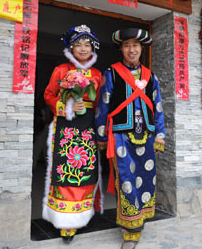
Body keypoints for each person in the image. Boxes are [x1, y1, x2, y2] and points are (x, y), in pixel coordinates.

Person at [95, 28, 165, 249]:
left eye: (135, 45)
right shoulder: (112, 73)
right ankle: (130, 231)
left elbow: (158, 108)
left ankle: (141, 218)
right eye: (127, 45)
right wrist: (101, 135)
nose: (131, 49)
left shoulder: (151, 76)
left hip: (146, 135)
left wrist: (160, 135)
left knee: (145, 178)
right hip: (121, 137)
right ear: (121, 50)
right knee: (126, 180)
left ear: (141, 49)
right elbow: (103, 105)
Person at [43, 25, 103, 242]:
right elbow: (48, 94)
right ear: (71, 48)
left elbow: (99, 104)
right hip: (66, 127)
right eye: (78, 45)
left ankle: (82, 216)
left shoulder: (97, 74)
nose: (83, 49)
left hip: (88, 128)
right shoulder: (60, 70)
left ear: (93, 48)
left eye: (87, 45)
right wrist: (65, 106)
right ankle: (65, 223)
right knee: (65, 167)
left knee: (86, 168)